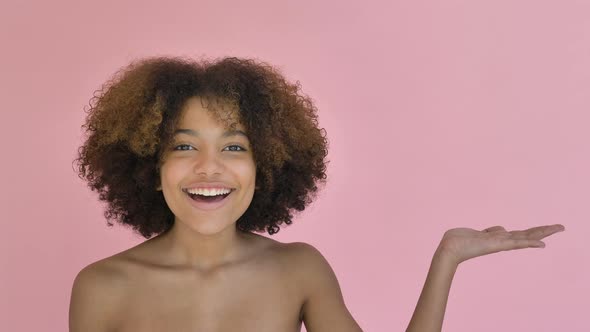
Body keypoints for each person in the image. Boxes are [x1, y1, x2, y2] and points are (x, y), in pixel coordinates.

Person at [69, 56, 565, 332]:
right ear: (150, 170)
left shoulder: (298, 269)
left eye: (234, 146)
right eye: (183, 145)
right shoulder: (102, 286)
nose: (208, 167)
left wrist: (448, 258)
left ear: (264, 169)